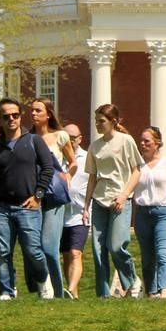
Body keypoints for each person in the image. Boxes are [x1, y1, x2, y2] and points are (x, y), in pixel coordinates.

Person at [0, 97, 58, 301]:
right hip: (2, 208)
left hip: (28, 206)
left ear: (20, 116)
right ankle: (7, 291)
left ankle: (44, 282)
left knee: (33, 251)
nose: (11, 119)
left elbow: (48, 168)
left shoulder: (33, 140)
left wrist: (38, 195)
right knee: (2, 251)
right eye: (6, 116)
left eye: (15, 115)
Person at [87, 105, 141, 297]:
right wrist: (86, 206)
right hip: (99, 200)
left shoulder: (126, 141)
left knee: (116, 245)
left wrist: (124, 194)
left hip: (120, 200)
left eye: (101, 121)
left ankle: (133, 280)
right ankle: (103, 295)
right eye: (96, 121)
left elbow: (137, 171)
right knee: (98, 249)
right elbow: (92, 177)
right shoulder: (94, 146)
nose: (98, 125)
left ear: (114, 122)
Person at [29, 99, 77, 299]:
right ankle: (44, 290)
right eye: (31, 110)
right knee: (34, 247)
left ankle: (58, 292)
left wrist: (67, 176)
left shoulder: (60, 136)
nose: (33, 113)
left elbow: (73, 162)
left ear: (48, 114)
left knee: (49, 247)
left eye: (38, 110)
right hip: (33, 197)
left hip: (54, 196)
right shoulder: (28, 138)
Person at [130, 125, 166, 297]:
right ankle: (152, 293)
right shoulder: (137, 166)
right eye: (141, 141)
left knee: (163, 252)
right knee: (148, 257)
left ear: (157, 143)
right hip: (143, 213)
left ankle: (164, 291)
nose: (142, 144)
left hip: (164, 212)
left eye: (147, 141)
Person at [60, 121, 91, 298]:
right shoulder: (57, 158)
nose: (70, 141)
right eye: (66, 138)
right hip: (60, 214)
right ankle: (74, 292)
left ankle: (70, 289)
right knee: (66, 254)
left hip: (81, 214)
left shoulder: (87, 158)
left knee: (75, 252)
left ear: (80, 139)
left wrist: (89, 206)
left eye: (73, 138)